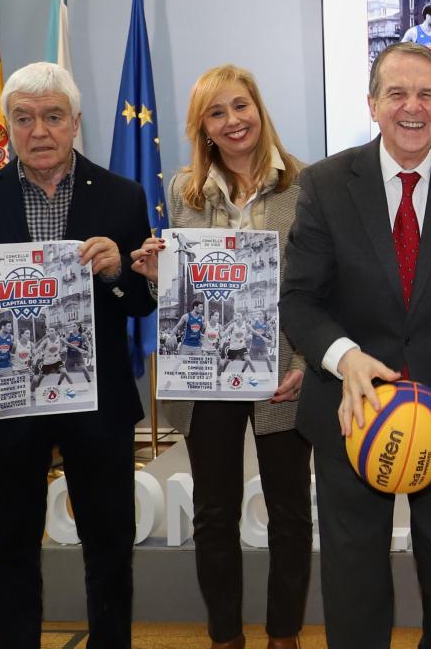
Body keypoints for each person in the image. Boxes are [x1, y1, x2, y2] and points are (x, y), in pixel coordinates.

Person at [282, 42, 431, 649]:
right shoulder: (328, 183)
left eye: (428, 95)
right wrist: (345, 357)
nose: (413, 107)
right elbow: (300, 299)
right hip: (349, 410)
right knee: (353, 575)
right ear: (373, 103)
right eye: (398, 93)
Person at [0, 62, 156, 649]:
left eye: (53, 117)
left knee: (110, 546)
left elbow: (141, 302)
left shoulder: (122, 196)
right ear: (7, 126)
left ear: (75, 123)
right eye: (25, 118)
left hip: (98, 402)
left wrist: (117, 271)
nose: (40, 131)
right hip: (6, 403)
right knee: (9, 548)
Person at [130, 63, 313, 649]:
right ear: (202, 127)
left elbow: (322, 285)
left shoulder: (307, 187)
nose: (232, 121)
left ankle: (283, 636)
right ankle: (225, 638)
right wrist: (160, 277)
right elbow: (180, 294)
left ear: (259, 109)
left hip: (283, 371)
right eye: (217, 112)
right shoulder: (183, 192)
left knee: (288, 514)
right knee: (214, 513)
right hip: (208, 373)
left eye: (241, 106)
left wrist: (308, 364)